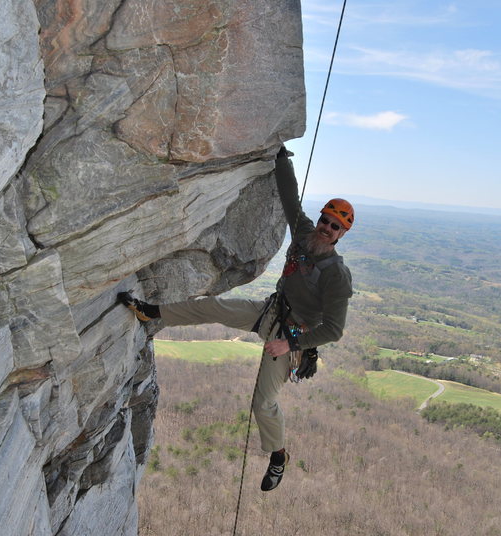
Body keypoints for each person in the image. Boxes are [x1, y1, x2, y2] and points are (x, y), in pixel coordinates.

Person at [118, 146, 353, 491]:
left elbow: (334, 329)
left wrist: (289, 344)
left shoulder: (337, 275)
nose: (326, 228)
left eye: (335, 227)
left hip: (292, 335)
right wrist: (280, 158)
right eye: (325, 221)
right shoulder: (304, 233)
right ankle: (151, 312)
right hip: (271, 312)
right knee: (214, 307)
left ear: (341, 234)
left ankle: (278, 457)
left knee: (264, 401)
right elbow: (291, 199)